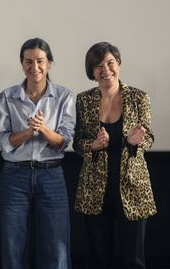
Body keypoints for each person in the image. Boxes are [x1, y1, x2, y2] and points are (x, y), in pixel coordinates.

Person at [73, 42, 156, 269]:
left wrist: (134, 142)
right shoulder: (83, 100)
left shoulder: (139, 97)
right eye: (98, 65)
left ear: (118, 63)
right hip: (95, 189)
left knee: (134, 260)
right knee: (99, 258)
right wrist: (94, 145)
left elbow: (148, 136)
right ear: (91, 71)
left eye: (110, 63)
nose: (105, 69)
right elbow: (78, 142)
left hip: (133, 187)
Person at [0, 38, 75, 269]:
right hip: (14, 176)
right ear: (22, 64)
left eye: (40, 61)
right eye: (28, 61)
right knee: (13, 246)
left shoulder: (64, 96)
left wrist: (43, 129)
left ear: (49, 63)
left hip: (51, 175)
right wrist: (29, 131)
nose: (35, 67)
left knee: (57, 248)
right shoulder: (7, 96)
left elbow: (64, 141)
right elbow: (3, 140)